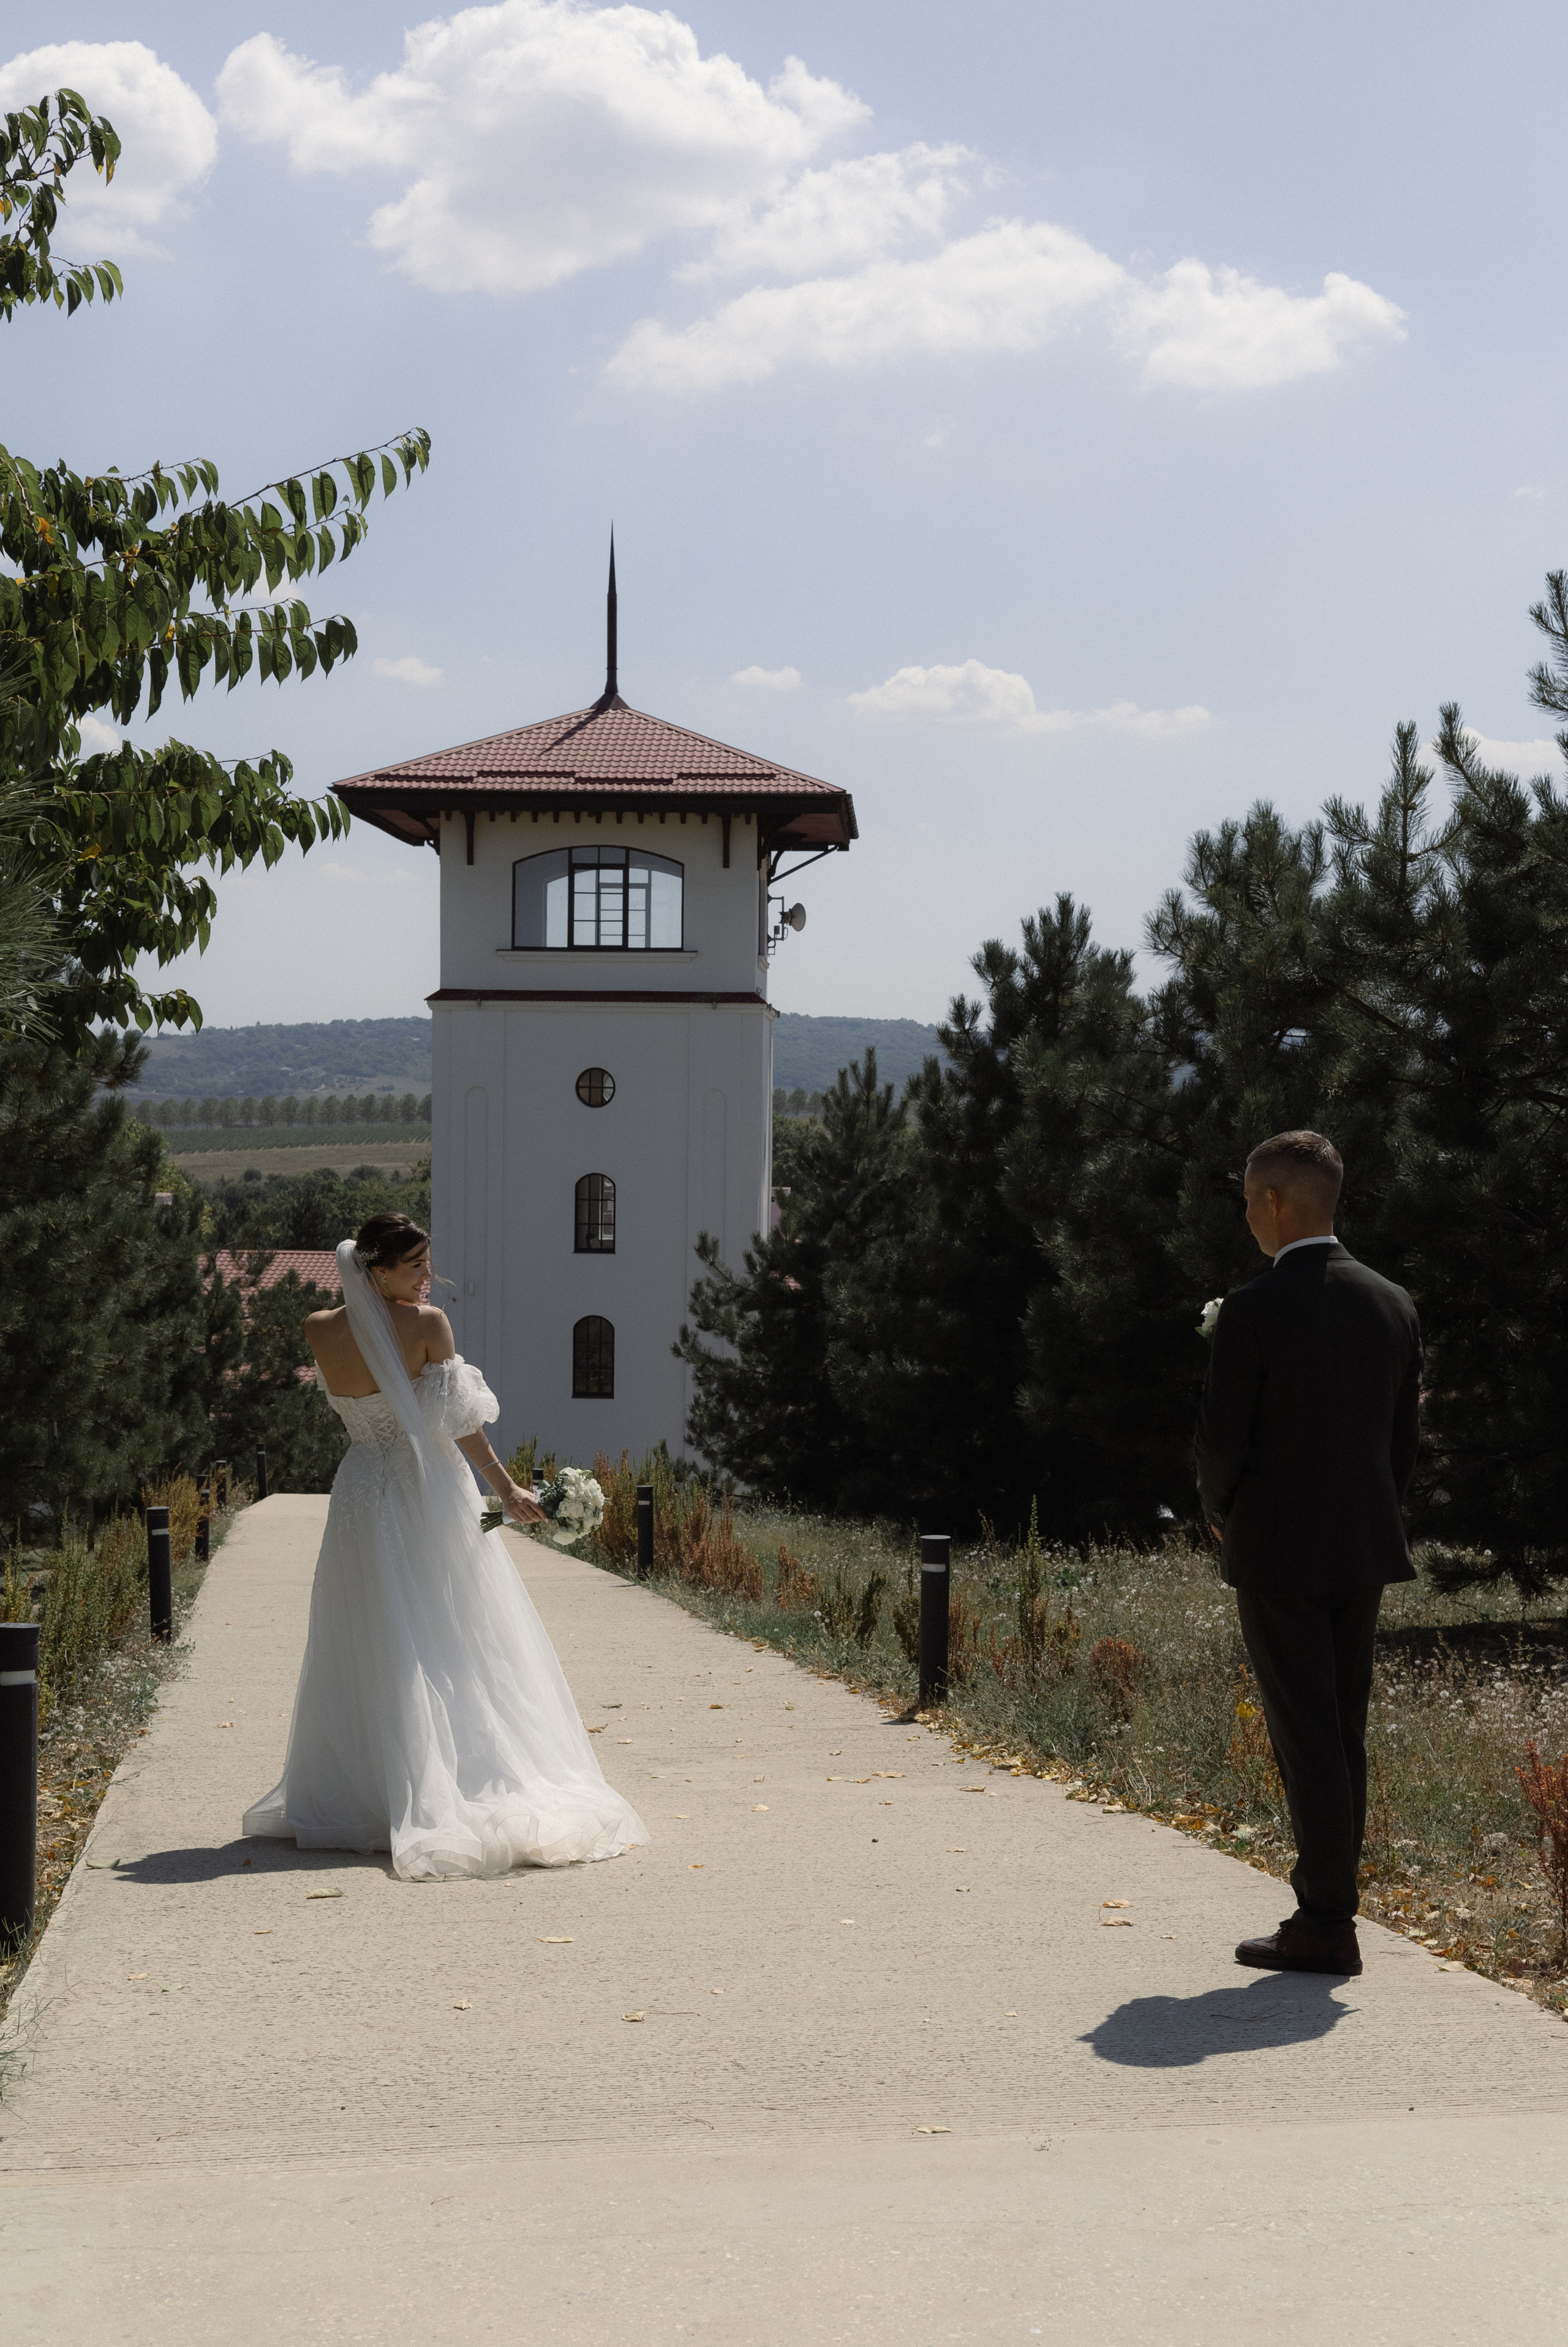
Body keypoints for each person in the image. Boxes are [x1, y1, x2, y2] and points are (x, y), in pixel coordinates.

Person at [243, 1212, 647, 1881]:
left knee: (373, 1630)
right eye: (415, 1266)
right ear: (377, 1270)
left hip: (359, 1489)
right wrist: (509, 1490)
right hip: (427, 1487)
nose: (429, 1277)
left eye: (428, 1263)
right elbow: (461, 1426)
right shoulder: (427, 1326)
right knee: (454, 1625)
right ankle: (454, 1780)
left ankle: (366, 1790)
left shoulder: (319, 1328)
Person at [1194, 1131, 1421, 1977]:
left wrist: (1219, 1512)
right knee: (1343, 1727)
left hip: (1278, 1547)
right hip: (1363, 1543)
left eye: (1250, 1197)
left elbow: (1223, 1442)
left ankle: (1326, 1919)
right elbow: (1403, 1443)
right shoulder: (1393, 1302)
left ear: (1277, 1202)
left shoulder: (1254, 1308)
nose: (1247, 1212)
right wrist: (1372, 1514)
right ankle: (1331, 1903)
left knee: (1305, 1733)